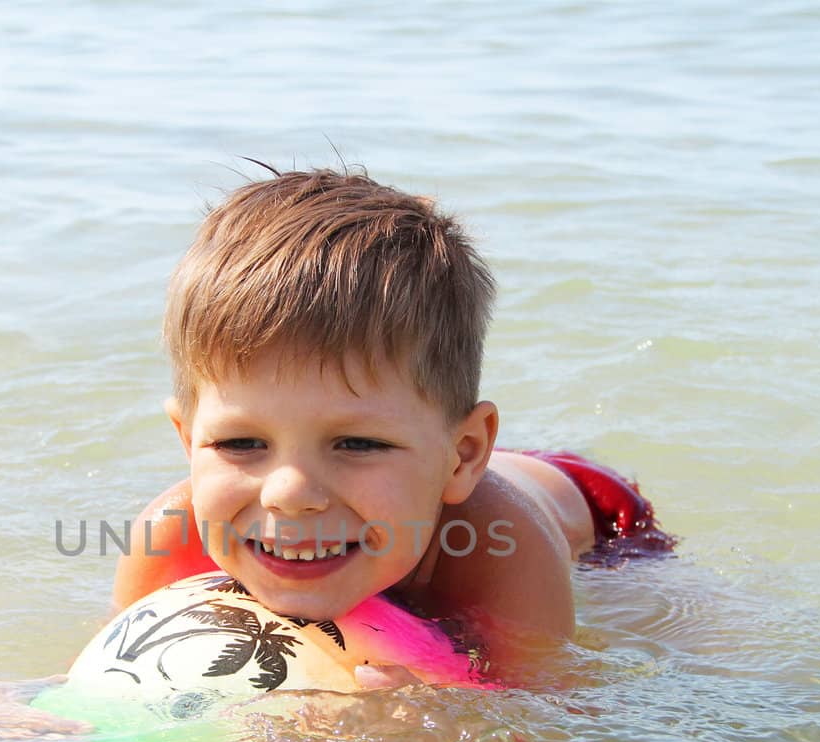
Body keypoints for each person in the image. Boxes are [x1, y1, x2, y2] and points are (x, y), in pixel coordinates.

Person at [111, 165, 673, 685]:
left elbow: (550, 722)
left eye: (357, 443)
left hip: (600, 519)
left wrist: (427, 724)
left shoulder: (504, 547)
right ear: (188, 441)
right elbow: (108, 677)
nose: (290, 493)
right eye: (240, 443)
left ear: (463, 454)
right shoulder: (168, 537)